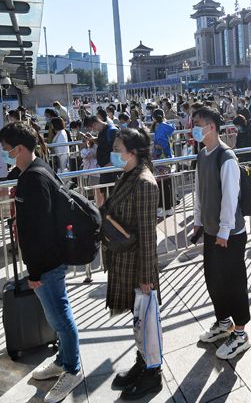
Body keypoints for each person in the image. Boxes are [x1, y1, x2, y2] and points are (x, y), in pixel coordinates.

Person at [0, 123, 83, 403]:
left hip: (47, 262)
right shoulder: (37, 170)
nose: (5, 154)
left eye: (7, 149)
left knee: (60, 316)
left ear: (20, 148)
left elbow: (40, 230)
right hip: (49, 260)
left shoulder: (33, 179)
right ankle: (63, 360)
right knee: (56, 315)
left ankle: (72, 369)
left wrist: (35, 271)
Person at [102, 127, 163, 399]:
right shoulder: (128, 175)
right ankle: (142, 363)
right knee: (138, 319)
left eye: (118, 150)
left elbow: (149, 235)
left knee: (146, 322)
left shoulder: (144, 183)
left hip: (138, 265)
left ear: (133, 152)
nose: (114, 153)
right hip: (125, 260)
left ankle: (152, 373)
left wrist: (147, 276)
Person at [191, 107, 251, 360]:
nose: (194, 128)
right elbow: (199, 192)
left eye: (198, 123)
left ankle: (240, 333)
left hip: (230, 234)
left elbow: (230, 197)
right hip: (211, 231)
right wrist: (198, 221)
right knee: (214, 280)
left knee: (234, 283)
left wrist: (224, 230)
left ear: (212, 127)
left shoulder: (226, 157)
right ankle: (223, 321)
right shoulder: (202, 155)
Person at [83, 115, 119, 206]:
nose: (92, 130)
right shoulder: (103, 131)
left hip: (111, 170)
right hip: (105, 169)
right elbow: (102, 143)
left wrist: (109, 165)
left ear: (95, 124)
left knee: (111, 195)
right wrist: (92, 139)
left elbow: (119, 151)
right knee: (105, 193)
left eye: (92, 128)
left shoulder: (112, 131)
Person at [151, 109, 176, 218]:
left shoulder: (160, 128)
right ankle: (168, 208)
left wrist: (156, 146)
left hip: (161, 159)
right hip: (167, 158)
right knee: (166, 183)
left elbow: (161, 143)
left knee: (162, 184)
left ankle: (164, 208)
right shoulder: (167, 126)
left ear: (154, 117)